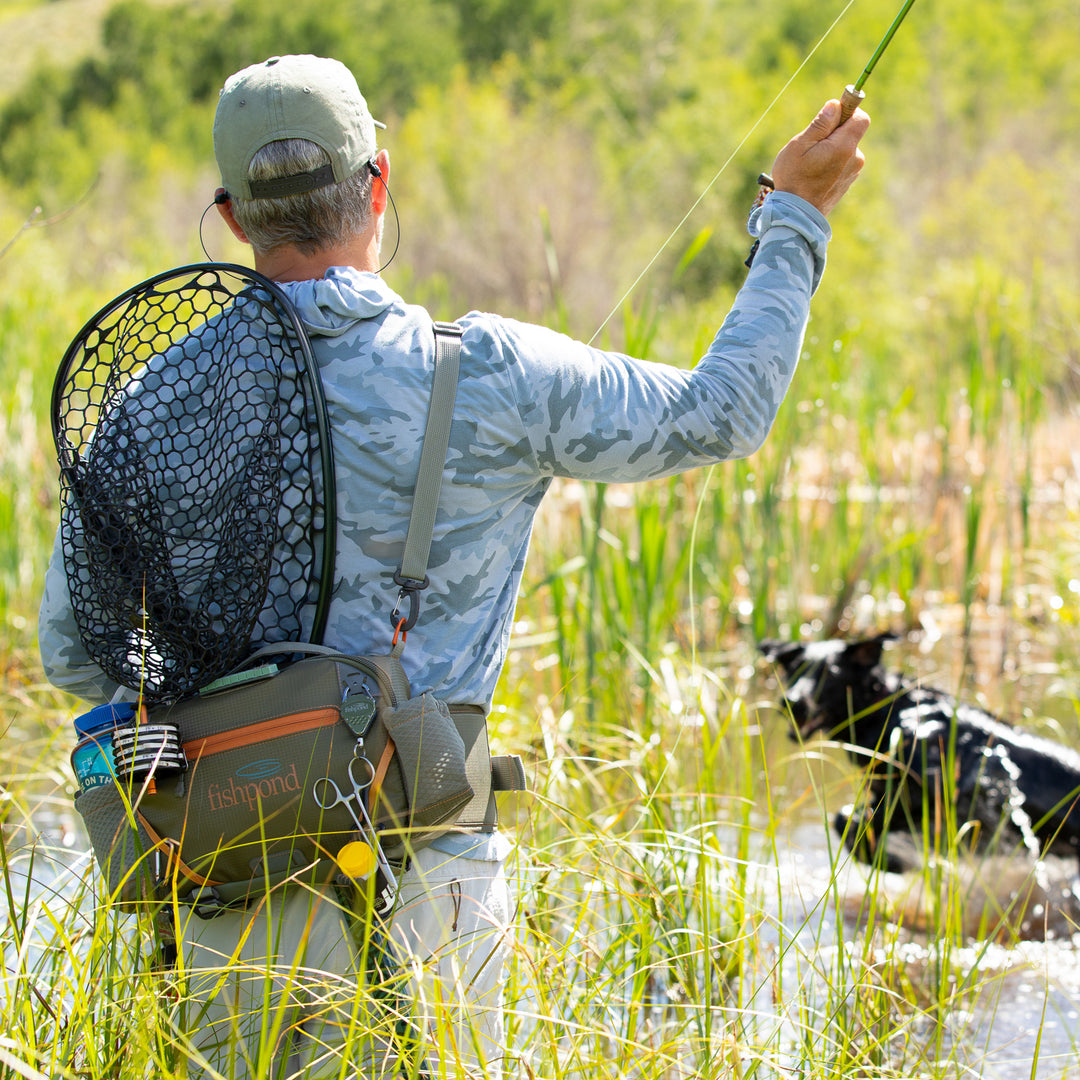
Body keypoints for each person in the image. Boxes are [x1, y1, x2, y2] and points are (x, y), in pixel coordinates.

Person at [39, 53, 869, 1079]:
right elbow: (722, 412)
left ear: (234, 218)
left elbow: (73, 654)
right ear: (379, 184)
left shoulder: (145, 407)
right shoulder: (489, 370)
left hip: (224, 906)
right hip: (431, 898)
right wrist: (794, 218)